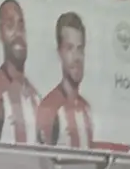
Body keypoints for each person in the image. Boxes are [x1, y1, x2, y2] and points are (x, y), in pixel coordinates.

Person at [0, 0, 39, 145]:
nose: (18, 33)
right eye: (10, 25)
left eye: (21, 26)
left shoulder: (33, 96)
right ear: (0, 33)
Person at [35, 13, 93, 148]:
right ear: (59, 52)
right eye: (70, 48)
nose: (76, 57)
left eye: (80, 49)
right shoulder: (49, 107)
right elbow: (42, 164)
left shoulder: (86, 109)